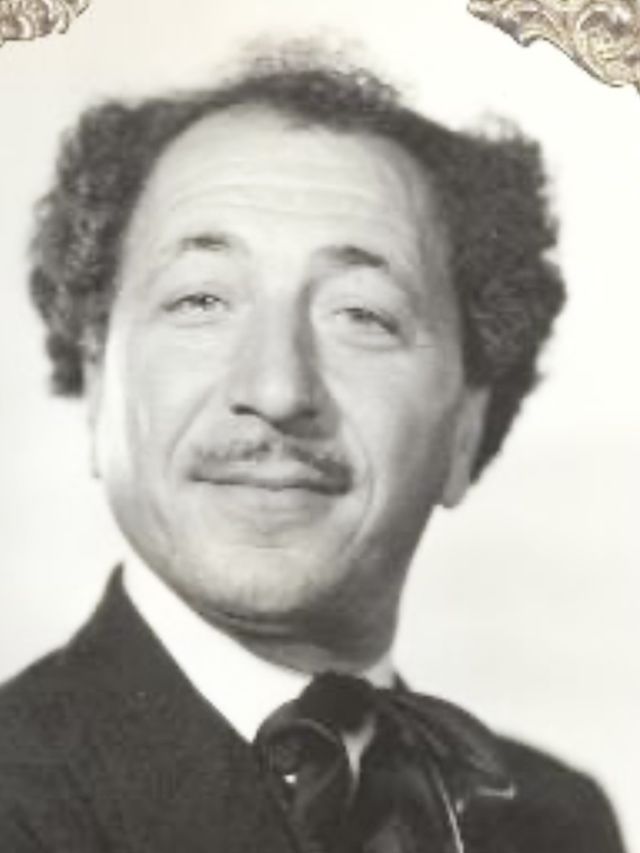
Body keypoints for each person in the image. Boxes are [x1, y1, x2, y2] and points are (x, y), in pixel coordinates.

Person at [0, 51, 626, 852]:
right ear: (97, 383)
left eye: (363, 314)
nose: (277, 387)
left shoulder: (558, 820)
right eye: (200, 299)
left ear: (468, 426)